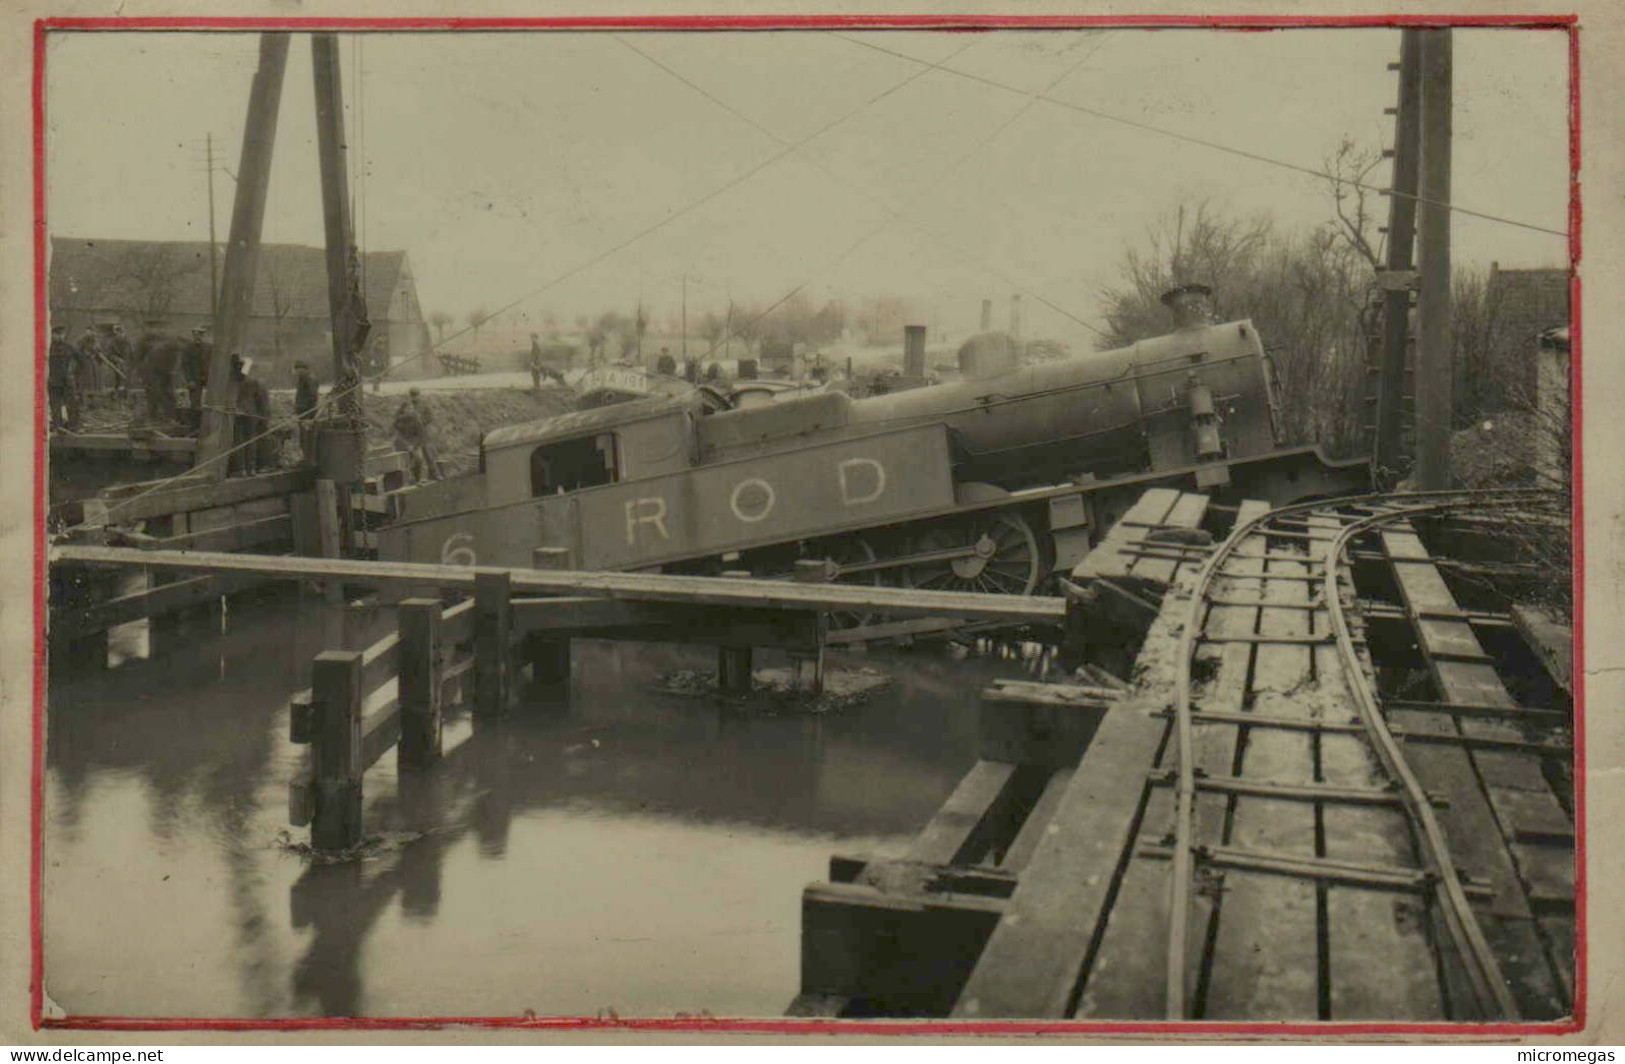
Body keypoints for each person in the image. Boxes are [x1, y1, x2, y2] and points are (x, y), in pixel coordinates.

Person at [230, 354, 272, 476]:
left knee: (238, 441)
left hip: (238, 414)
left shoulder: (231, 382)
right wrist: (263, 416)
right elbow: (261, 401)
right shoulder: (253, 381)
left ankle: (240, 469)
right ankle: (251, 469)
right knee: (251, 441)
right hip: (252, 414)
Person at [135, 319, 180, 427]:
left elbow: (176, 355)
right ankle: (152, 418)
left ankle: (170, 417)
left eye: (161, 328)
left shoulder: (170, 341)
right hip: (151, 373)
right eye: (155, 328)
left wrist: (173, 369)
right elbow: (138, 359)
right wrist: (140, 374)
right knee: (152, 394)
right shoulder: (144, 341)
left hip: (167, 372)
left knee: (169, 394)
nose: (159, 331)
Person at [392, 386, 441, 482]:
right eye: (412, 396)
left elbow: (430, 417)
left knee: (428, 454)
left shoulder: (424, 405)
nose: (414, 398)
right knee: (414, 458)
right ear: (410, 396)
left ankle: (435, 474)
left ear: (419, 395)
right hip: (410, 436)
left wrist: (421, 422)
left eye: (416, 395)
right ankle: (415, 478)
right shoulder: (406, 405)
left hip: (422, 433)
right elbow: (396, 419)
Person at [47, 324, 80, 432]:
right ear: (52, 335)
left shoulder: (70, 347)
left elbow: (81, 361)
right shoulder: (48, 347)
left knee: (72, 405)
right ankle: (58, 426)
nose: (60, 337)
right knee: (55, 406)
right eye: (57, 334)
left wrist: (73, 373)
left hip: (67, 382)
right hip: (53, 381)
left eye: (62, 334)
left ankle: (73, 426)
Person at [181, 326, 211, 421]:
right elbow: (185, 365)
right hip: (194, 378)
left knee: (211, 402)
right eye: (196, 334)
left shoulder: (208, 347)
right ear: (193, 335)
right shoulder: (188, 348)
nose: (198, 336)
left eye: (201, 334)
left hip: (207, 377)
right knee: (195, 403)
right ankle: (195, 422)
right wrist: (189, 380)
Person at [293, 360, 321, 462]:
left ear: (303, 369)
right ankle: (306, 458)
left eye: (297, 369)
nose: (296, 372)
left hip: (308, 413)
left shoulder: (310, 379)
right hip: (302, 412)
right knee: (304, 437)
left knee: (308, 437)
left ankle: (309, 459)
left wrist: (304, 410)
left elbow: (312, 397)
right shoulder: (302, 379)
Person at [107, 324, 133, 399]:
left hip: (127, 366)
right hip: (116, 366)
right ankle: (116, 395)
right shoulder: (112, 342)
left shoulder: (127, 342)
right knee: (117, 381)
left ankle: (126, 395)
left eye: (121, 332)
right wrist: (118, 359)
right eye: (118, 332)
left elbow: (131, 354)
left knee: (127, 380)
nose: (120, 334)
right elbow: (109, 354)